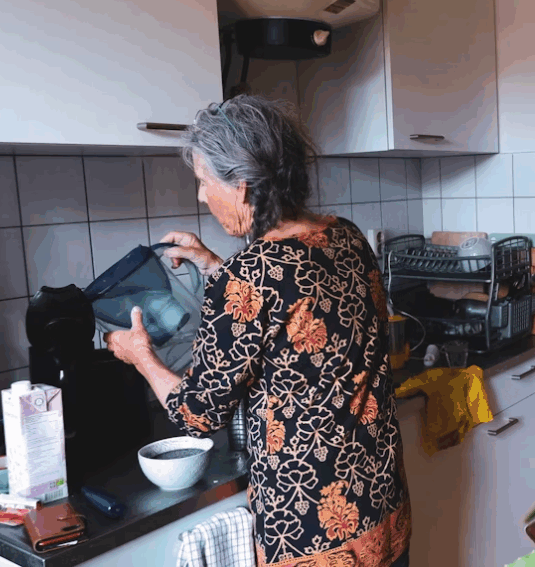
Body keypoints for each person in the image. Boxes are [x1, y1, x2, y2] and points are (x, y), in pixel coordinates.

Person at [104, 95, 411, 567]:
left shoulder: (250, 274)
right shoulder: (345, 235)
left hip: (313, 530)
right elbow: (299, 314)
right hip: (383, 505)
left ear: (242, 186)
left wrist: (140, 355)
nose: (202, 196)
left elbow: (196, 415)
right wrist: (213, 266)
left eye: (205, 182)